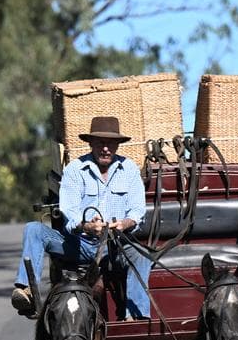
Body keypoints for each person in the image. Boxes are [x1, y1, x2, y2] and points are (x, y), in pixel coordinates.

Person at [12, 116, 151, 320]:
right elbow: (70, 212)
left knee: (140, 255)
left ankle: (137, 318)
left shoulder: (129, 169)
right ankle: (26, 291)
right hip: (79, 244)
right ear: (91, 143)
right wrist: (86, 226)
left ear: (117, 146)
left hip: (117, 245)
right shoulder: (74, 169)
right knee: (34, 229)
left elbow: (137, 211)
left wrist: (124, 224)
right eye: (100, 143)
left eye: (110, 144)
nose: (105, 149)